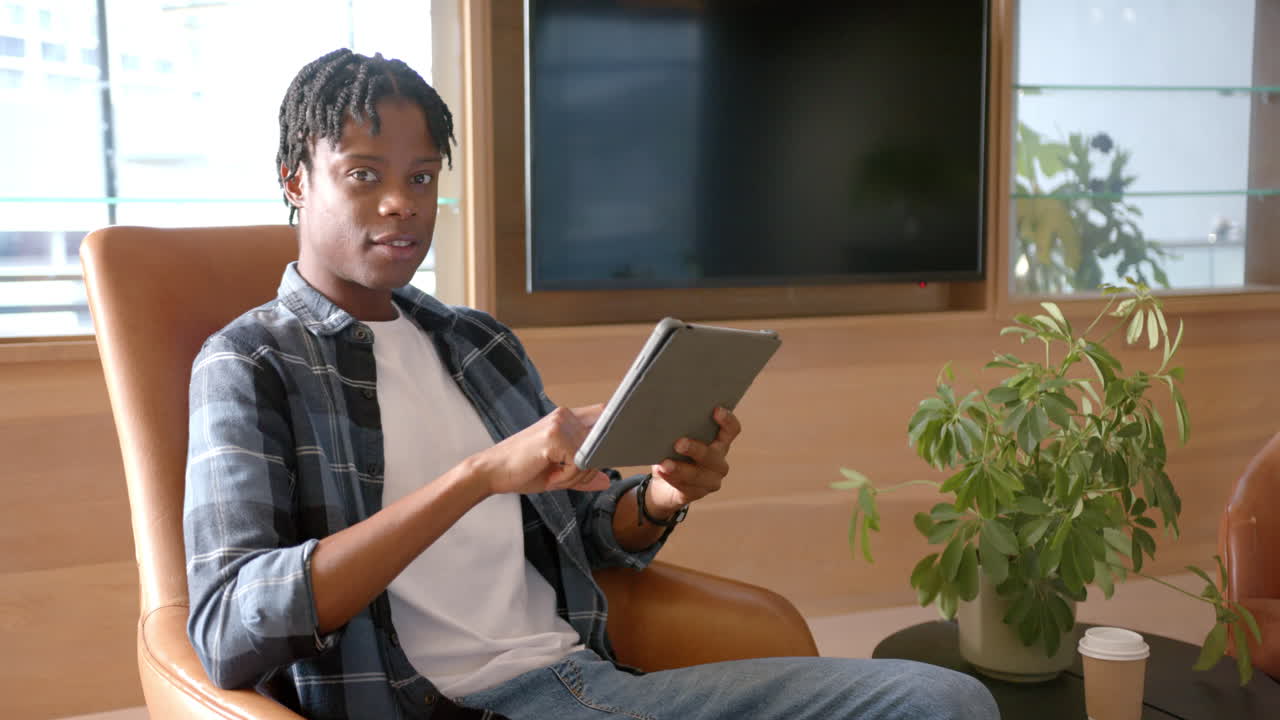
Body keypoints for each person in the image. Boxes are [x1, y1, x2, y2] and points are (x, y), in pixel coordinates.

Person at [183, 48, 999, 720]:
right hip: (439, 707)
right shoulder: (250, 362)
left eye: (422, 178)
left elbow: (587, 533)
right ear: (295, 178)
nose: (401, 204)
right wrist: (475, 477)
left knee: (944, 701)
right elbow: (228, 628)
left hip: (586, 686)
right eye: (364, 175)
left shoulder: (475, 344)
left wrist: (662, 498)